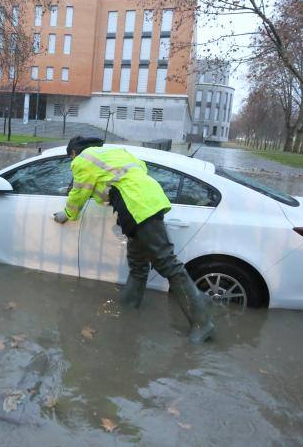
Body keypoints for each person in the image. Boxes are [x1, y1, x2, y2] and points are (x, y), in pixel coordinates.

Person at [53, 136, 214, 344]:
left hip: (138, 209)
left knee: (167, 264)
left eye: (70, 158)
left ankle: (202, 321)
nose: (71, 163)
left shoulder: (82, 160)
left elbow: (78, 192)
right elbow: (132, 176)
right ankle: (128, 307)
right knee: (138, 265)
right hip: (147, 203)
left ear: (74, 152)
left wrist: (68, 213)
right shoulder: (117, 154)